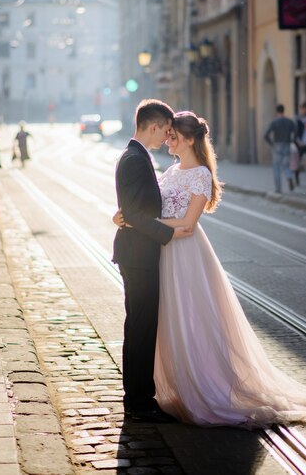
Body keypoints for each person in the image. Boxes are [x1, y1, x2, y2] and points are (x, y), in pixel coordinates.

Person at [114, 111, 306, 429]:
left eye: (174, 135)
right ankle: (173, 386)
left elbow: (187, 225)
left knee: (194, 319)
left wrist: (142, 222)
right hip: (161, 254)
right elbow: (145, 205)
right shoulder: (168, 171)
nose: (168, 139)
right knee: (167, 323)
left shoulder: (200, 175)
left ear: (191, 139)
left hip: (185, 254)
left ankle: (204, 384)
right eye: (167, 134)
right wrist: (126, 216)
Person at [112, 99, 193, 424]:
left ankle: (138, 398)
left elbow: (132, 210)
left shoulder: (136, 156)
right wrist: (167, 234)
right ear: (154, 126)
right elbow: (133, 212)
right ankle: (139, 402)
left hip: (138, 253)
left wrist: (128, 217)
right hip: (139, 255)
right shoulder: (134, 159)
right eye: (166, 132)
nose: (166, 139)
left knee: (140, 326)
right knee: (141, 327)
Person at [264, 104, 296, 193]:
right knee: (286, 165)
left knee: (276, 167)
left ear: (277, 111)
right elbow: (295, 132)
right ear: (283, 110)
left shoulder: (274, 122)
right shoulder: (289, 121)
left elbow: (265, 135)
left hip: (277, 145)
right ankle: (289, 176)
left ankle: (278, 189)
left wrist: (271, 143)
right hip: (287, 144)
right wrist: (292, 140)